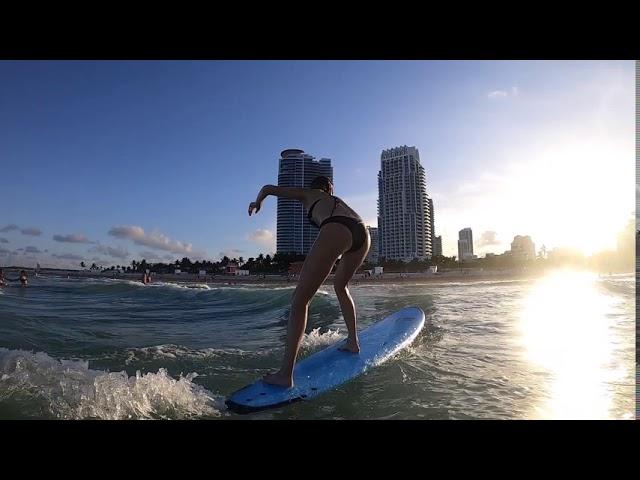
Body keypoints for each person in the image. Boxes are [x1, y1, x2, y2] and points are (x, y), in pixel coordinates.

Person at [248, 176, 370, 388]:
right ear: (329, 187)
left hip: (337, 228)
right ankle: (353, 342)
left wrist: (257, 202)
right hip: (363, 233)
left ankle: (285, 375)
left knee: (300, 301)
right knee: (341, 287)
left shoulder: (308, 194)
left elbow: (268, 188)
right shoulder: (335, 200)